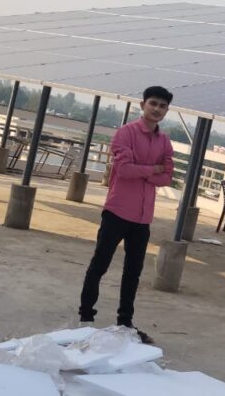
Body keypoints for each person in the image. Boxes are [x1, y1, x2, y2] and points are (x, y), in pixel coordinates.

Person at [78, 86, 174, 344]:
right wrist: (153, 169)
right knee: (99, 265)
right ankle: (85, 319)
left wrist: (144, 170)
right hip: (117, 211)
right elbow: (124, 170)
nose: (157, 109)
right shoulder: (125, 133)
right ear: (142, 105)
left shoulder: (164, 142)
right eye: (153, 103)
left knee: (133, 272)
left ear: (167, 110)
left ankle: (125, 323)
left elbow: (167, 177)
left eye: (162, 106)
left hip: (142, 218)